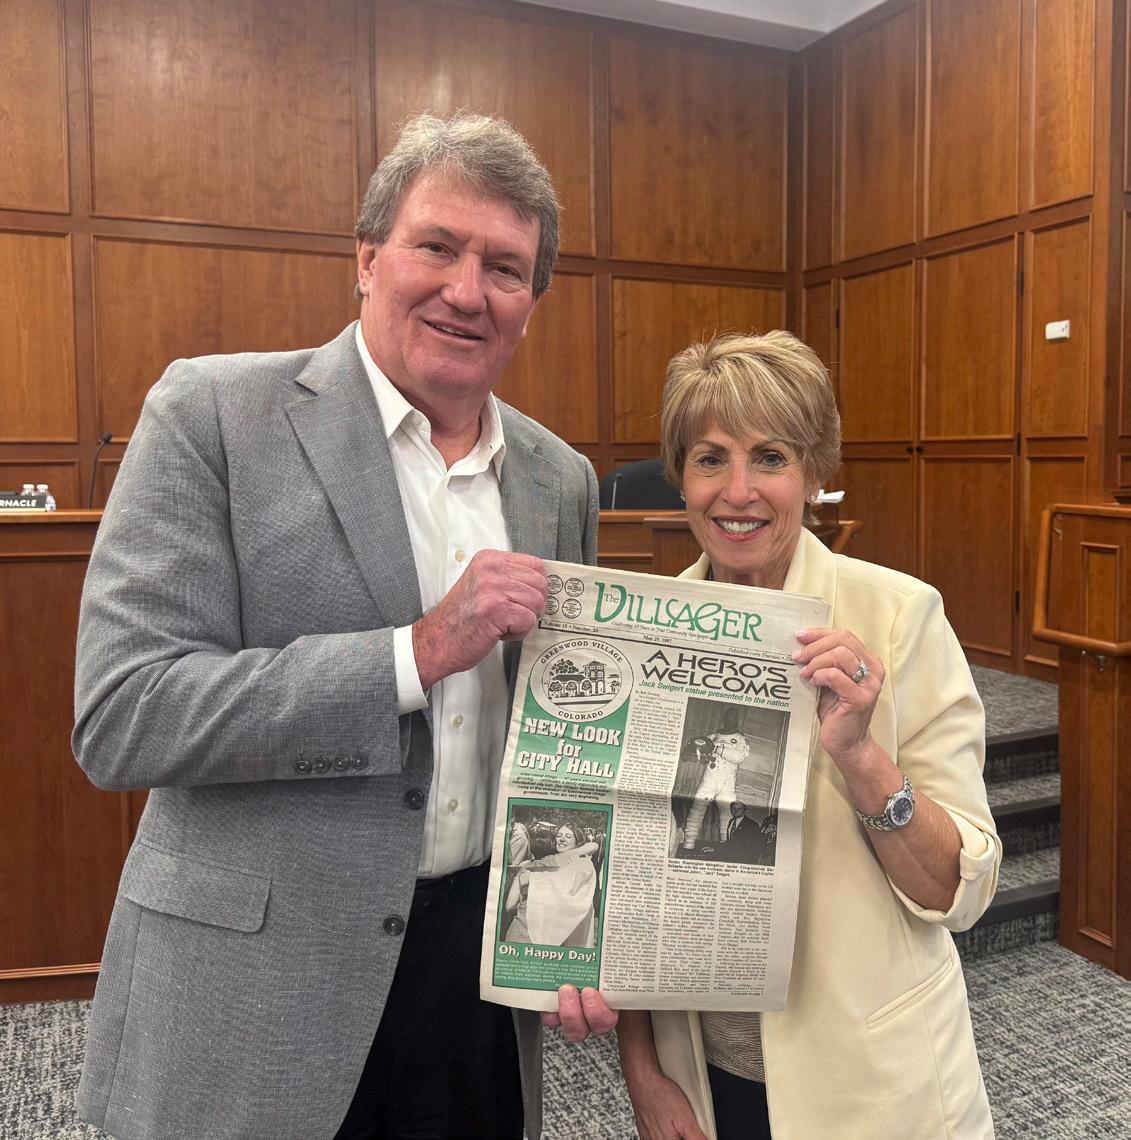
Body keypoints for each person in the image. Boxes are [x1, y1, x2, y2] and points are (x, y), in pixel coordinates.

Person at [71, 110, 615, 1140]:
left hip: (476, 991)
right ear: (367, 259)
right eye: (437, 247)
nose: (468, 291)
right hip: (260, 990)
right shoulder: (213, 414)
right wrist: (416, 652)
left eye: (505, 268)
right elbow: (125, 715)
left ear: (531, 303)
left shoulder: (560, 478)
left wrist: (582, 934)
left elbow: (569, 739)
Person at [615, 331, 1001, 1139]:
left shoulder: (899, 617)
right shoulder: (644, 637)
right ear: (680, 476)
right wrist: (643, 1071)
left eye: (770, 457)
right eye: (710, 459)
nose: (738, 492)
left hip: (872, 1085)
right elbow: (628, 883)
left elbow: (958, 892)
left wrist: (860, 756)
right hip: (705, 1078)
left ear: (813, 473)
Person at [504, 822, 599, 946]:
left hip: (520, 932)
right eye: (559, 835)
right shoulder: (580, 867)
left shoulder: (528, 867)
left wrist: (529, 904)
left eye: (568, 836)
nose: (562, 839)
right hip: (550, 937)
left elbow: (510, 905)